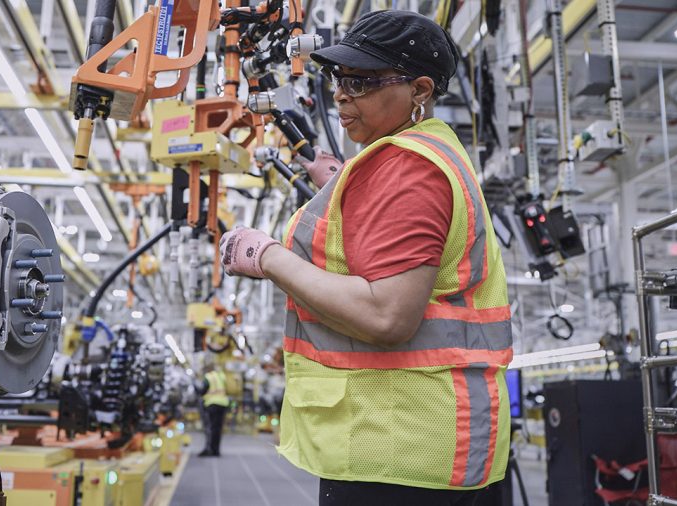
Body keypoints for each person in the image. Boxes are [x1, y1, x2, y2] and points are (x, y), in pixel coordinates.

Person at [219, 10, 513, 506]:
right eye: (337, 77)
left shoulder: (409, 169)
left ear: (420, 90)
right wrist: (349, 185)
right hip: (418, 445)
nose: (341, 93)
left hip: (398, 449)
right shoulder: (420, 154)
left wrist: (266, 256)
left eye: (363, 81)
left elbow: (386, 315)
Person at [198, 363, 229, 457]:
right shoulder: (221, 376)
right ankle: (216, 450)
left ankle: (209, 449)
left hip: (212, 404)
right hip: (223, 404)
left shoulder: (208, 377)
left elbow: (203, 390)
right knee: (218, 428)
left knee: (210, 427)